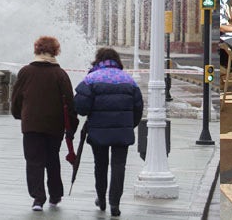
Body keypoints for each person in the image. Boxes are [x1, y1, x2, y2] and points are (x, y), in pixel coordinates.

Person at [74, 48, 143, 217]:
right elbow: (138, 108)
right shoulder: (129, 81)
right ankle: (115, 204)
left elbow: (80, 107)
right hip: (122, 132)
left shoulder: (92, 79)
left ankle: (101, 198)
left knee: (101, 165)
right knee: (119, 166)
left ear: (98, 60)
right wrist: (128, 125)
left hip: (98, 131)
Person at [11, 36, 78, 211]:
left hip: (31, 125)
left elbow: (16, 98)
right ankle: (55, 195)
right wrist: (71, 126)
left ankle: (38, 198)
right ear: (55, 51)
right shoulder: (60, 74)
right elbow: (70, 103)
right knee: (52, 159)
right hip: (54, 126)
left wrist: (20, 115)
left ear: (37, 50)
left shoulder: (26, 72)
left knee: (34, 161)